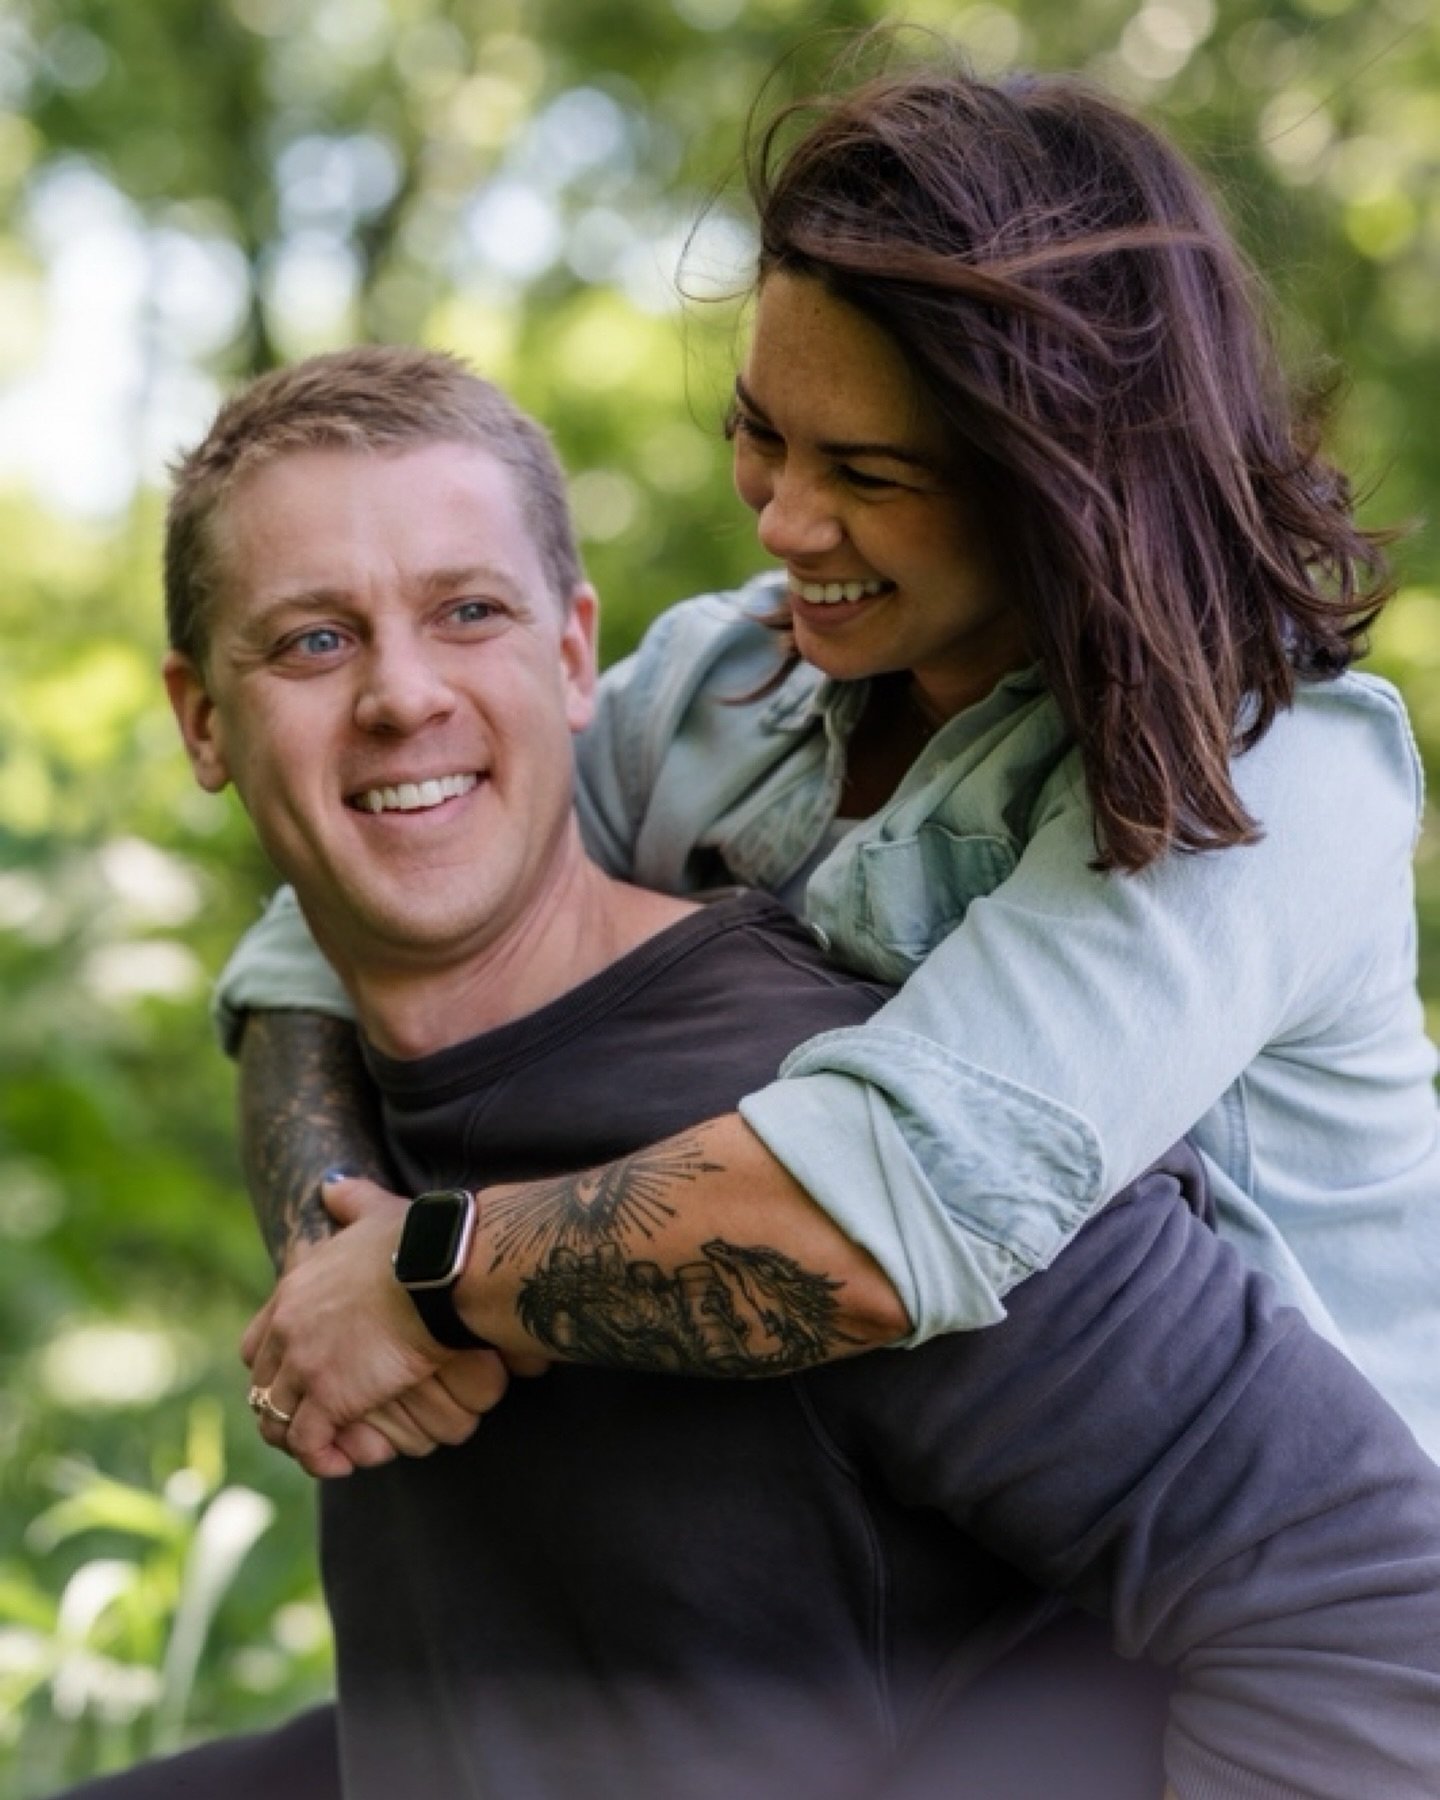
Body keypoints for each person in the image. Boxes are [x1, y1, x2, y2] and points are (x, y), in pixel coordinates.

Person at [66, 345, 1440, 1800]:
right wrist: (331, 1237)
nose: (403, 695)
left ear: (570, 652)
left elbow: (1375, 1616)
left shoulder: (892, 1117)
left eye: (468, 611)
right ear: (201, 719)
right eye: (311, 644)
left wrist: (419, 1269)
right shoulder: (737, 704)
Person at [215, 48, 1440, 1460]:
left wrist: (424, 1281)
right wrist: (332, 1246)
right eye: (760, 432)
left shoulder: (1273, 777)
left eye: (866, 474)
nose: (784, 521)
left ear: (1063, 485)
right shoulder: (716, 682)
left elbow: (885, 1213)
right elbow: (332, 920)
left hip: (1299, 1588)